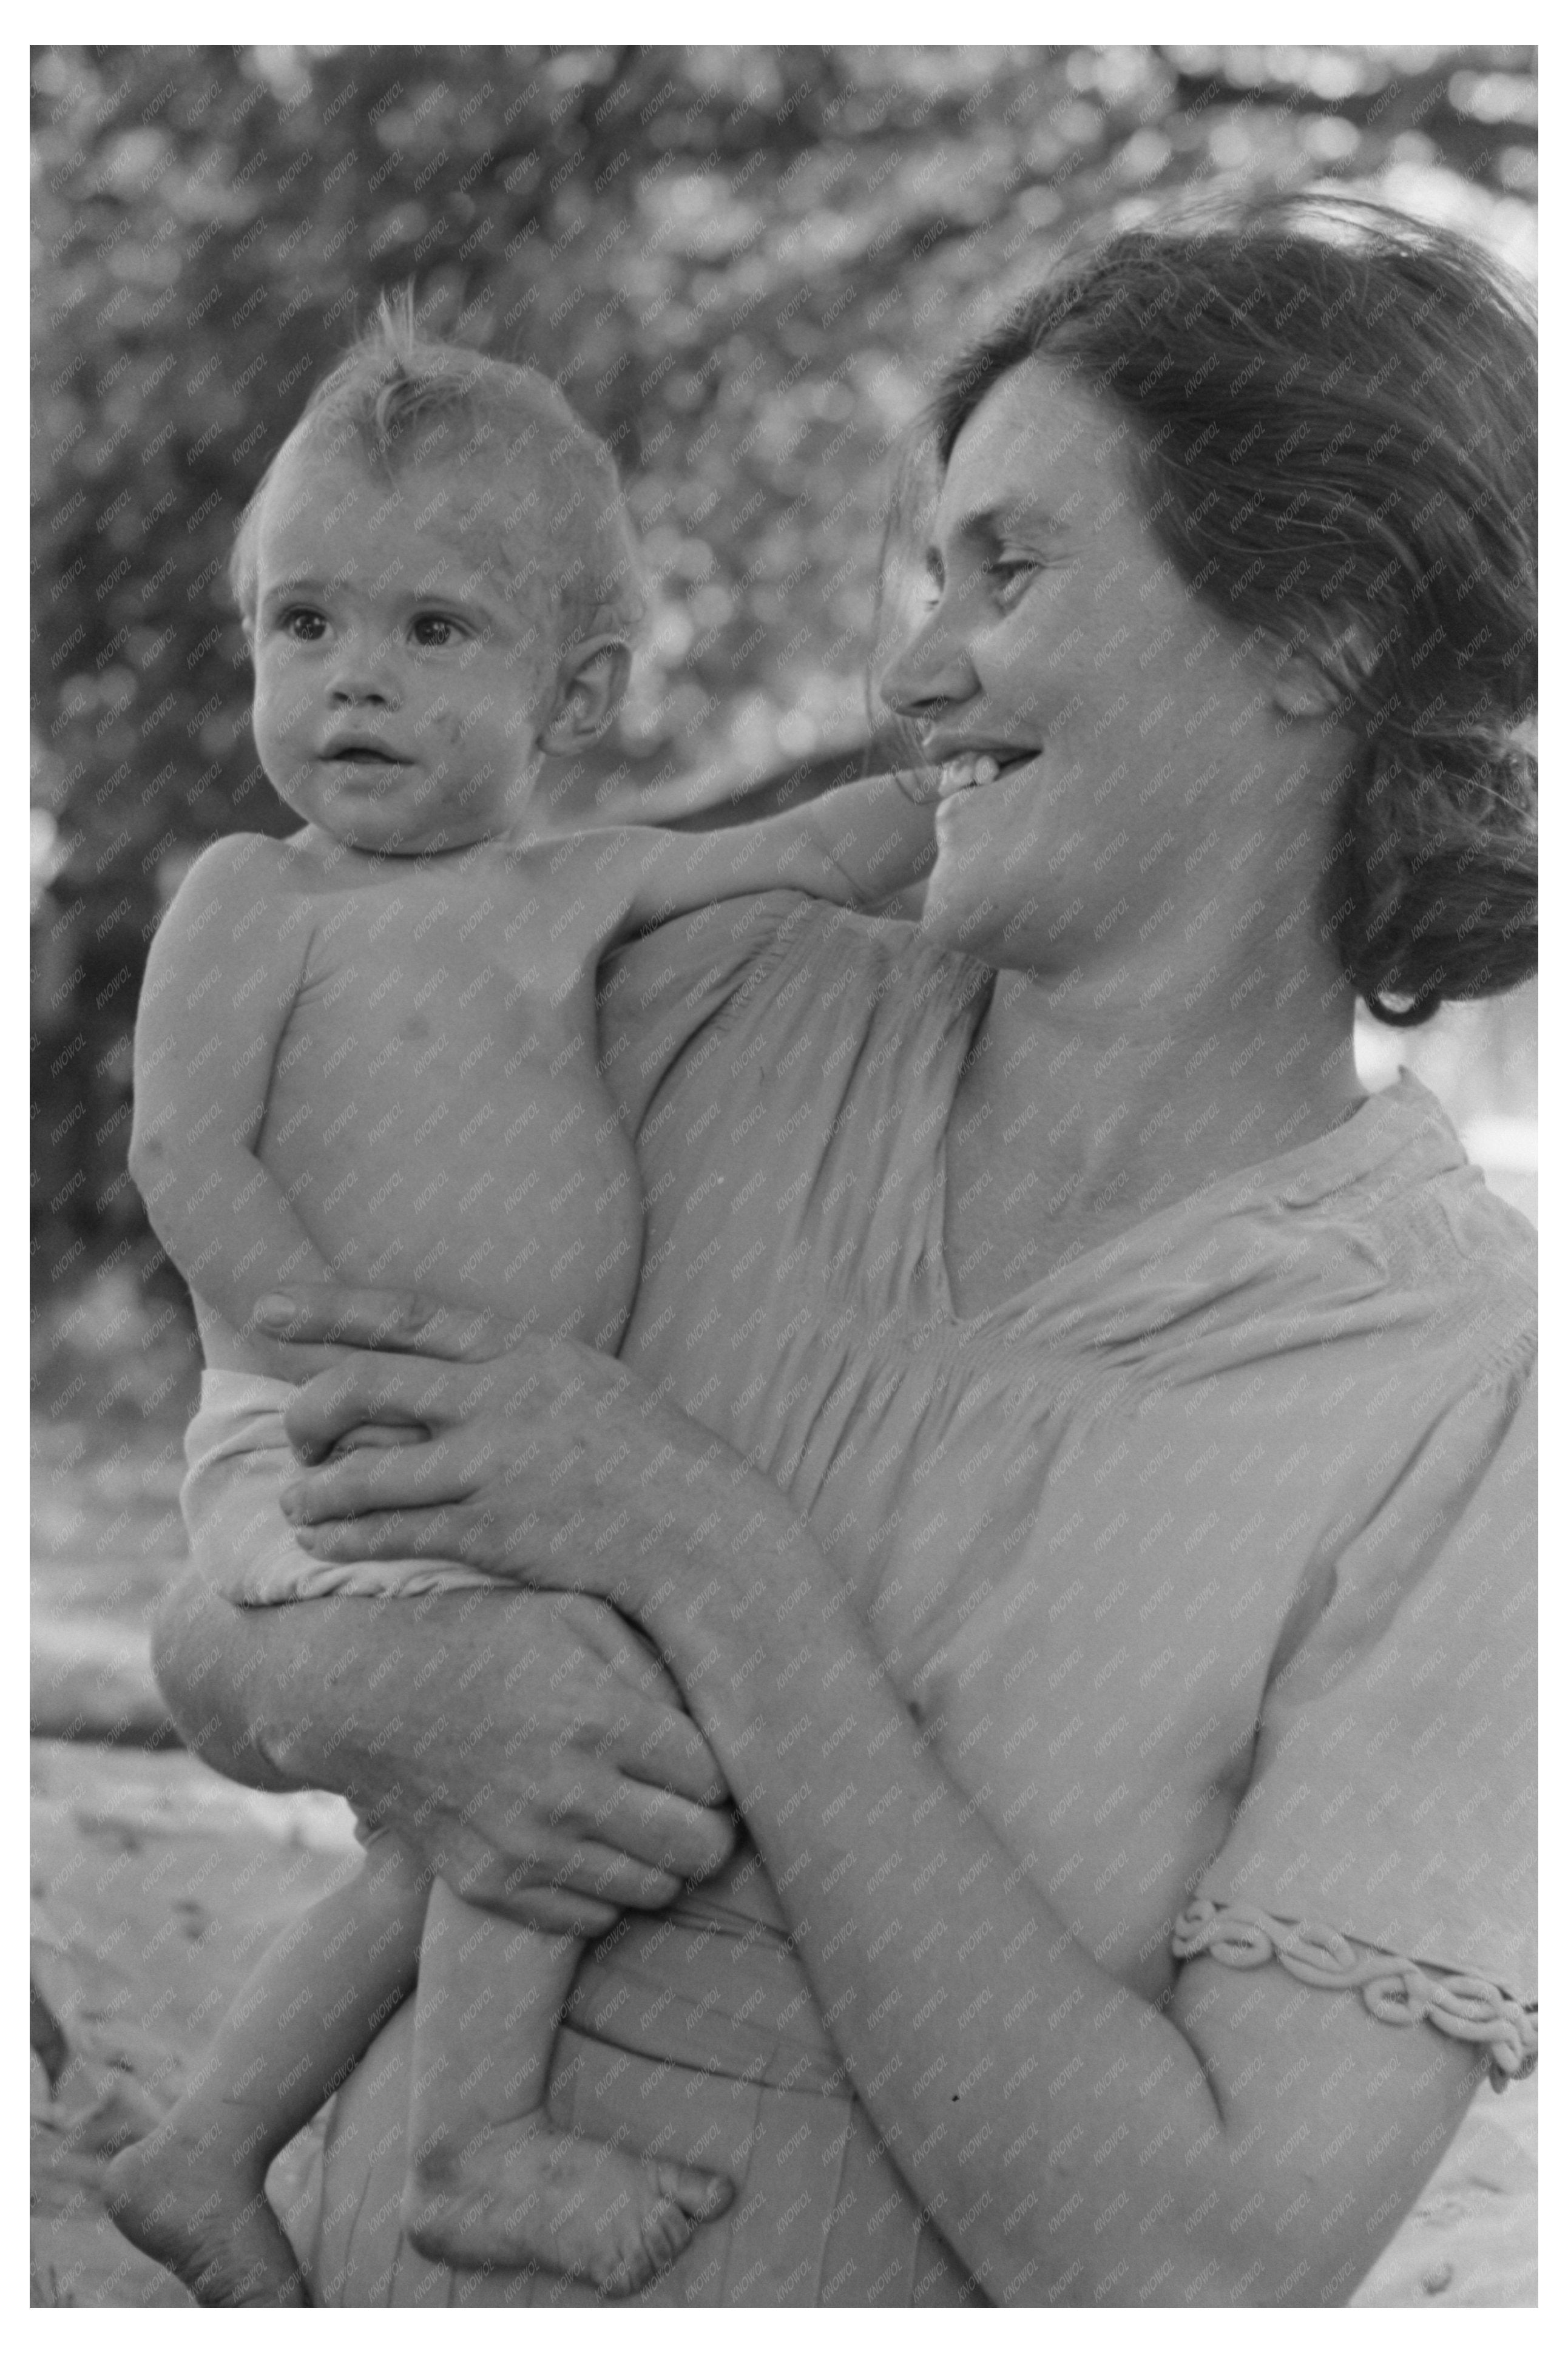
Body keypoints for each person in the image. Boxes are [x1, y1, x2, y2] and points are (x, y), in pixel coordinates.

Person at [150, 197, 1536, 2307]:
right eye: (928, 576)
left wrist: (715, 1565)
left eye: (1014, 569)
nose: (907, 673)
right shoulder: (681, 1021)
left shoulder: (1459, 1381)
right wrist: (365, 1676)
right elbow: (235, 1586)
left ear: (1321, 630)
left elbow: (1206, 2277)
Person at [106, 303, 936, 2306]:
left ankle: (209, 2143)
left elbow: (822, 849)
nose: (350, 681)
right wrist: (327, 1353)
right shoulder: (259, 897)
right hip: (331, 1441)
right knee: (569, 1715)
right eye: (302, 627)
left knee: (470, 1828)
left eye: (430, 632)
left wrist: (977, 759)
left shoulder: (572, 892)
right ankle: (473, 2145)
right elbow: (182, 1157)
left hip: (474, 1458)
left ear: (574, 699)